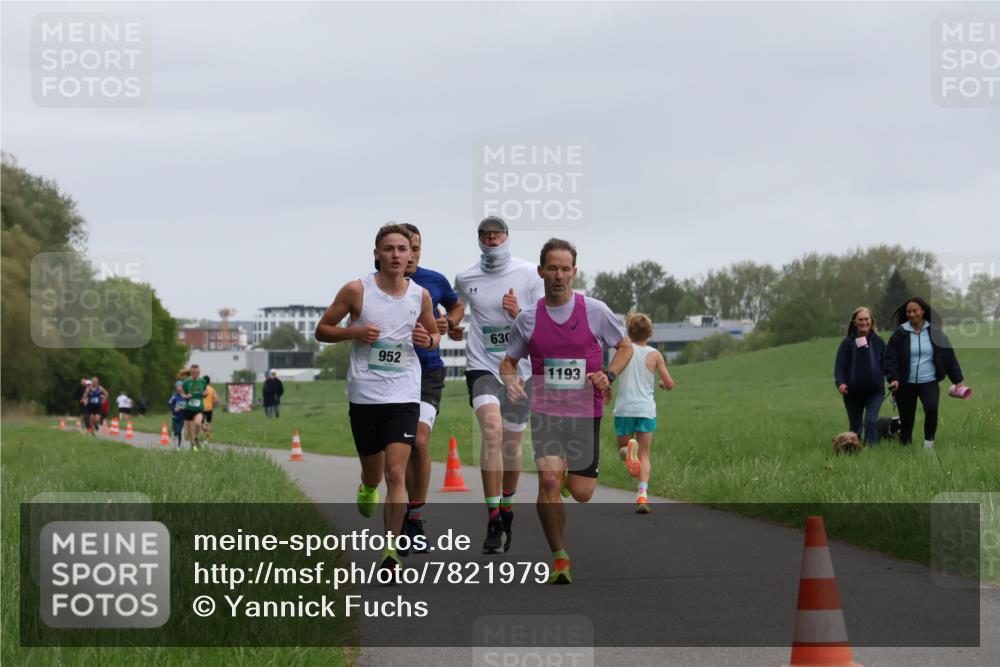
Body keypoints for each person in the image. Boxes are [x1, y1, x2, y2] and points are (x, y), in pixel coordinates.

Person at [501, 238, 633, 584]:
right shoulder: (528, 319)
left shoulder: (594, 310)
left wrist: (610, 373)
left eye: (565, 269)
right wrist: (512, 381)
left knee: (582, 493)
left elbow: (624, 346)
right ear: (541, 271)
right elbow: (508, 362)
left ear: (574, 272)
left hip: (585, 411)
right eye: (552, 268)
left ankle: (564, 478)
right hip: (546, 411)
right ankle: (559, 557)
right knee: (546, 480)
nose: (558, 275)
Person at [315, 222, 441, 573]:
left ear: (411, 254)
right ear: (377, 254)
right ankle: (367, 486)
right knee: (375, 474)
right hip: (365, 395)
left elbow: (433, 335)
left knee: (397, 472)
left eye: (403, 249)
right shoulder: (357, 290)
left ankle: (390, 550)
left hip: (403, 393)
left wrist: (427, 340)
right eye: (390, 249)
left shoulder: (421, 295)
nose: (397, 255)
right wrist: (354, 332)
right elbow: (322, 330)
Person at [454, 216, 544, 554]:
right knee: (491, 432)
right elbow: (457, 311)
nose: (491, 240)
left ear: (507, 238)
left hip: (518, 370)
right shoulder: (465, 277)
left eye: (497, 235)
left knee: (511, 445)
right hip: (482, 367)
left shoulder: (528, 274)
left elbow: (540, 328)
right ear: (478, 239)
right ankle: (493, 517)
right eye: (485, 235)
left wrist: (517, 312)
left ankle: (507, 507)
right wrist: (450, 325)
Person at [395, 224, 464, 555]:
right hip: (390, 377)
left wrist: (448, 324)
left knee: (419, 442)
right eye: (405, 247)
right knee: (396, 451)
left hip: (428, 372)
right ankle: (402, 515)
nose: (410, 253)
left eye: (416, 248)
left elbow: (456, 305)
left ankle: (416, 517)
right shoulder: (373, 285)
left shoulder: (434, 280)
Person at [883, 297, 966, 449]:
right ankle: (905, 446)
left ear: (922, 311)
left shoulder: (936, 333)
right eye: (908, 312)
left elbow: (949, 357)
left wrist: (958, 381)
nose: (911, 314)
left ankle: (929, 444)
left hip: (929, 381)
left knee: (931, 408)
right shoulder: (900, 334)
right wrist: (893, 378)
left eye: (915, 311)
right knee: (907, 419)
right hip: (905, 384)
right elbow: (890, 359)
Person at [614, 312, 675, 513]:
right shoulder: (655, 355)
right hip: (645, 409)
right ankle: (642, 496)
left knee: (622, 448)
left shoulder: (623, 350)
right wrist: (662, 385)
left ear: (629, 332)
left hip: (625, 408)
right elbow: (669, 383)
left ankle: (626, 451)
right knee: (645, 454)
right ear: (649, 332)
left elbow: (612, 373)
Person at [833, 307, 886, 446]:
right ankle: (853, 451)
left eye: (866, 319)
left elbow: (888, 364)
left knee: (871, 421)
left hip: (875, 391)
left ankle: (871, 450)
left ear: (871, 321)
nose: (864, 322)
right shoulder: (847, 344)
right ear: (854, 322)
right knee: (856, 426)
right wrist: (840, 383)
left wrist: (893, 379)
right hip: (852, 393)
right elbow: (839, 367)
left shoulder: (879, 342)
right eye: (860, 319)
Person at [180, 364, 208, 450]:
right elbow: (182, 393)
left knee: (198, 423)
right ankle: (192, 443)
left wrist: (204, 394)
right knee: (188, 429)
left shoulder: (203, 381)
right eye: (193, 372)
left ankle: (196, 438)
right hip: (188, 408)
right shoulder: (186, 382)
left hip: (199, 408)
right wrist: (185, 396)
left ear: (199, 372)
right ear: (191, 372)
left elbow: (205, 391)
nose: (195, 374)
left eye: (197, 372)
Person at [168, 381, 186, 447]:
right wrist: (174, 409)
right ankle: (174, 435)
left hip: (182, 417)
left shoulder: (185, 396)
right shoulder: (174, 396)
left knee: (180, 431)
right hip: (175, 417)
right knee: (177, 431)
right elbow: (169, 404)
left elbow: (187, 405)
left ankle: (178, 446)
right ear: (176, 388)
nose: (179, 388)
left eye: (180, 386)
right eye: (178, 386)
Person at [202, 376, 220, 441]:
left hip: (201, 408)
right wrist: (213, 404)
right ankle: (207, 438)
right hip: (209, 408)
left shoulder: (201, 389)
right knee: (208, 423)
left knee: (201, 423)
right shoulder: (212, 389)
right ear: (209, 382)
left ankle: (206, 431)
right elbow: (217, 400)